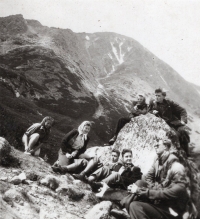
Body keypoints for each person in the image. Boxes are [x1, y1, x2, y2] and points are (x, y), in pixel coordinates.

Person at [148, 88, 190, 156]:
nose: (157, 97)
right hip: (163, 125)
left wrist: (183, 120)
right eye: (156, 95)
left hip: (174, 123)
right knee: (173, 136)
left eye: (159, 96)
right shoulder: (154, 104)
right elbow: (148, 111)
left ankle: (186, 153)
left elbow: (182, 110)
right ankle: (176, 152)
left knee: (183, 131)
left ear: (164, 96)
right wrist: (152, 112)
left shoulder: (170, 103)